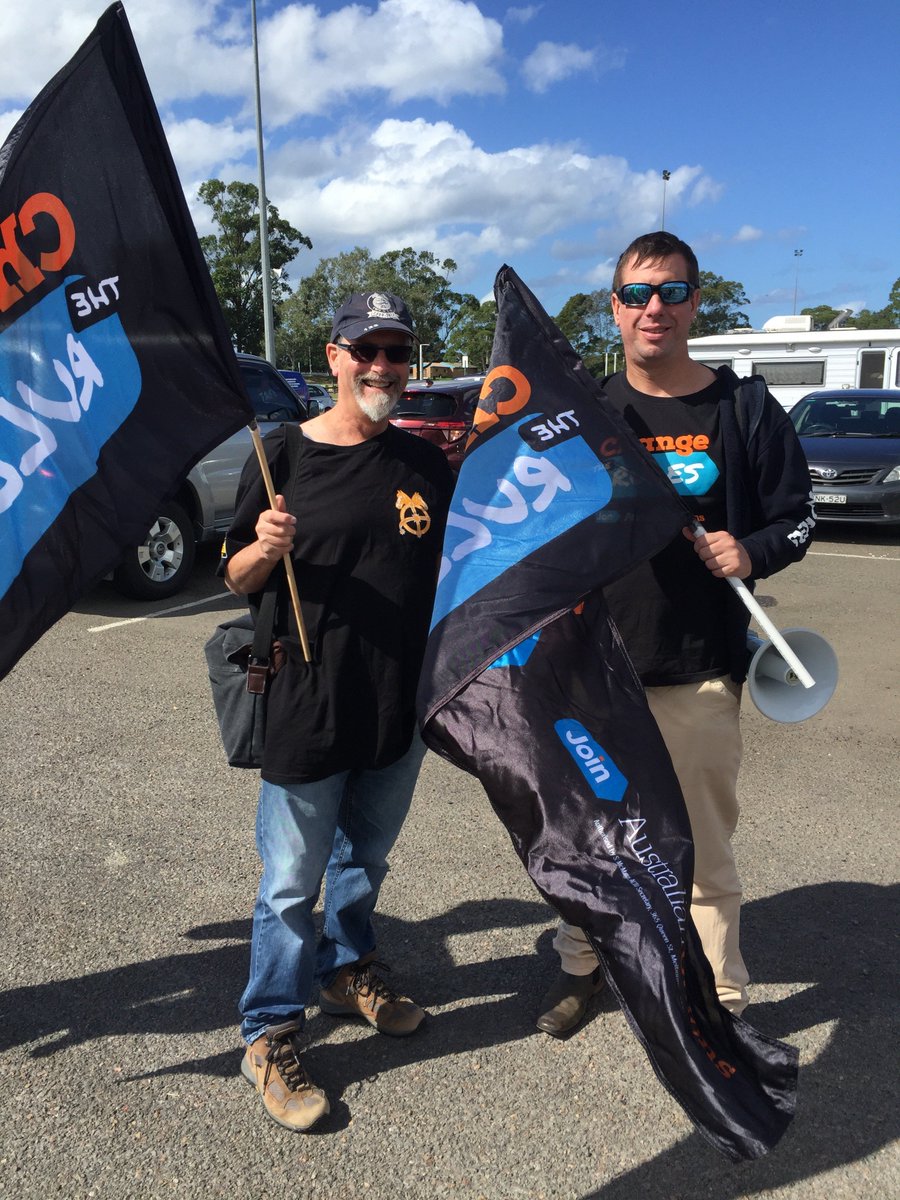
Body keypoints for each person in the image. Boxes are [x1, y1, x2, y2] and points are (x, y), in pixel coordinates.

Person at [536, 231, 815, 1036]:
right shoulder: (584, 413)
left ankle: (720, 1001)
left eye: (671, 291)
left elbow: (799, 518)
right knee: (590, 840)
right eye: (636, 293)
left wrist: (751, 547)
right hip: (594, 671)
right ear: (614, 308)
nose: (653, 307)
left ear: (696, 301)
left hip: (698, 670)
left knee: (703, 848)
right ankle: (583, 970)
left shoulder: (745, 409)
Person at [221, 292, 455, 1130]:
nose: (383, 367)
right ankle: (268, 1031)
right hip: (306, 700)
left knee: (366, 861)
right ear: (334, 357)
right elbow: (234, 576)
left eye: (397, 352)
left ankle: (347, 968)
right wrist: (262, 549)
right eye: (368, 351)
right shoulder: (280, 452)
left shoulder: (427, 465)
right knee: (290, 883)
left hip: (398, 703)